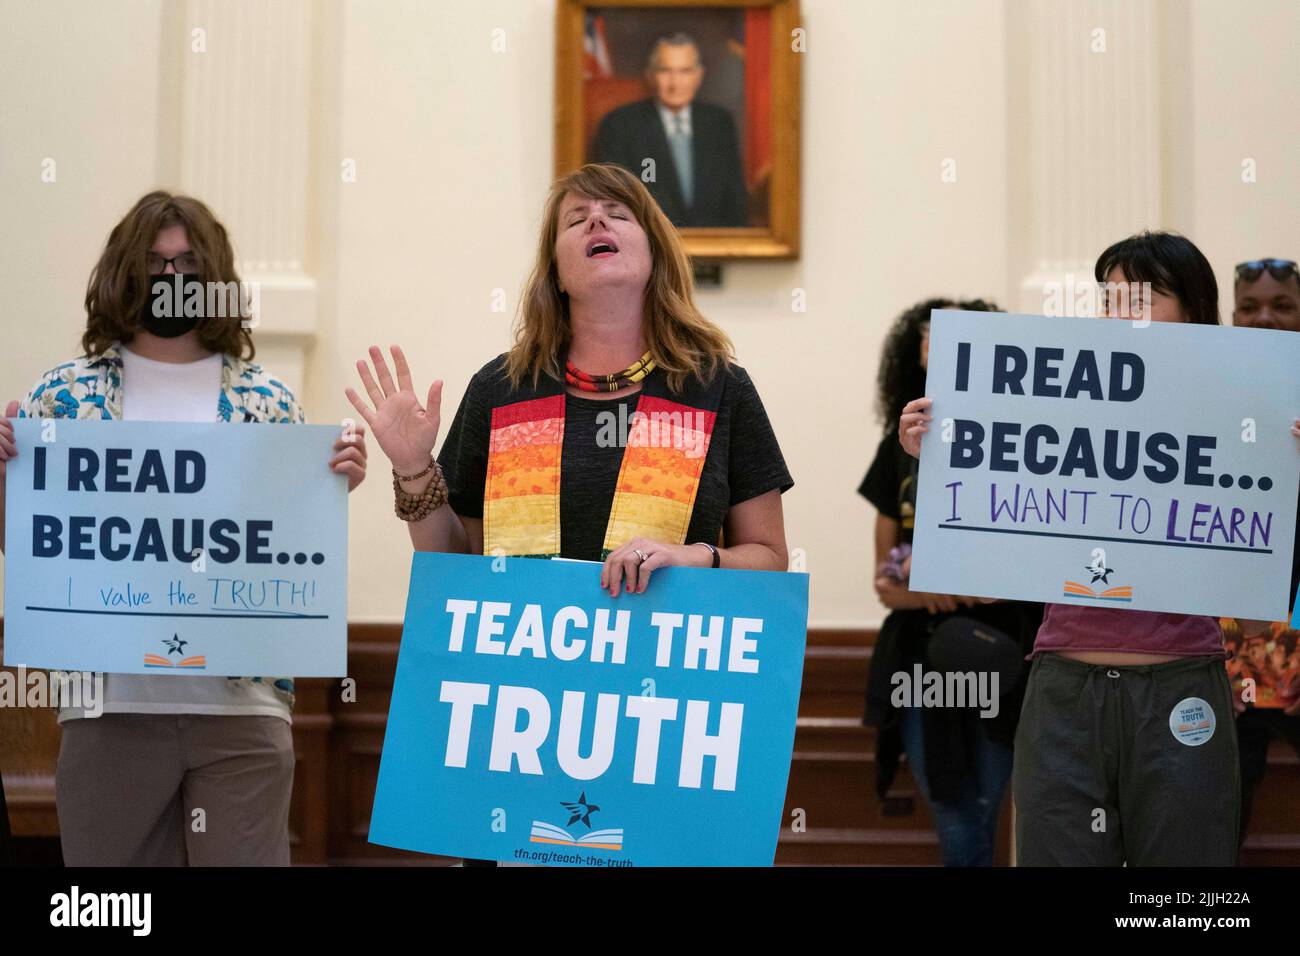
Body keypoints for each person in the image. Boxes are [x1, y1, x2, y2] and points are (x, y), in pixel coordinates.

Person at [346, 163, 792, 864]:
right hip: (519, 734)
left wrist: (694, 557)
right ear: (554, 268)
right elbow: (450, 566)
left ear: (653, 253)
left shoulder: (715, 387)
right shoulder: (502, 388)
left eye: (618, 212)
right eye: (576, 217)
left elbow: (768, 560)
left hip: (665, 734)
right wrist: (412, 467)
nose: (596, 223)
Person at [0, 191, 368, 866]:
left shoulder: (268, 401)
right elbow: (30, 548)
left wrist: (334, 484)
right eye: (157, 262)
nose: (172, 278)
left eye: (189, 264)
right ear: (124, 273)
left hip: (244, 710)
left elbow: (292, 547)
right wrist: (5, 479)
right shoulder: (63, 395)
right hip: (105, 708)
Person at [898, 231, 1290, 866]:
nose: (1121, 311)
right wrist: (940, 462)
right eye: (1110, 298)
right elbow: (991, 581)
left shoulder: (1246, 417)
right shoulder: (1054, 409)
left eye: (1144, 296)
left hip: (1182, 687)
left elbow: (1250, 616)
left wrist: (1287, 472)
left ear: (1194, 309)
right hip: (1064, 691)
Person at [859, 297, 1042, 867]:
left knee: (989, 802)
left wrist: (961, 588)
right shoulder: (900, 442)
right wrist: (927, 590)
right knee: (951, 806)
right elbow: (885, 582)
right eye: (926, 337)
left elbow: (1037, 566)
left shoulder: (1023, 437)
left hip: (1004, 648)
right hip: (918, 653)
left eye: (955, 336)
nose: (935, 346)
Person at [1225, 256, 1300, 855]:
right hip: (1225, 659)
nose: (1265, 319)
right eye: (1250, 308)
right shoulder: (1204, 396)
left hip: (1298, 649)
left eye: (1284, 307)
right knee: (1214, 826)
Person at [593, 33, 748, 227]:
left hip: (713, 250)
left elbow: (736, 203)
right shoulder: (620, 125)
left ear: (699, 76)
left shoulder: (719, 123)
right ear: (650, 75)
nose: (675, 83)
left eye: (685, 71)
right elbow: (612, 202)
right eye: (665, 71)